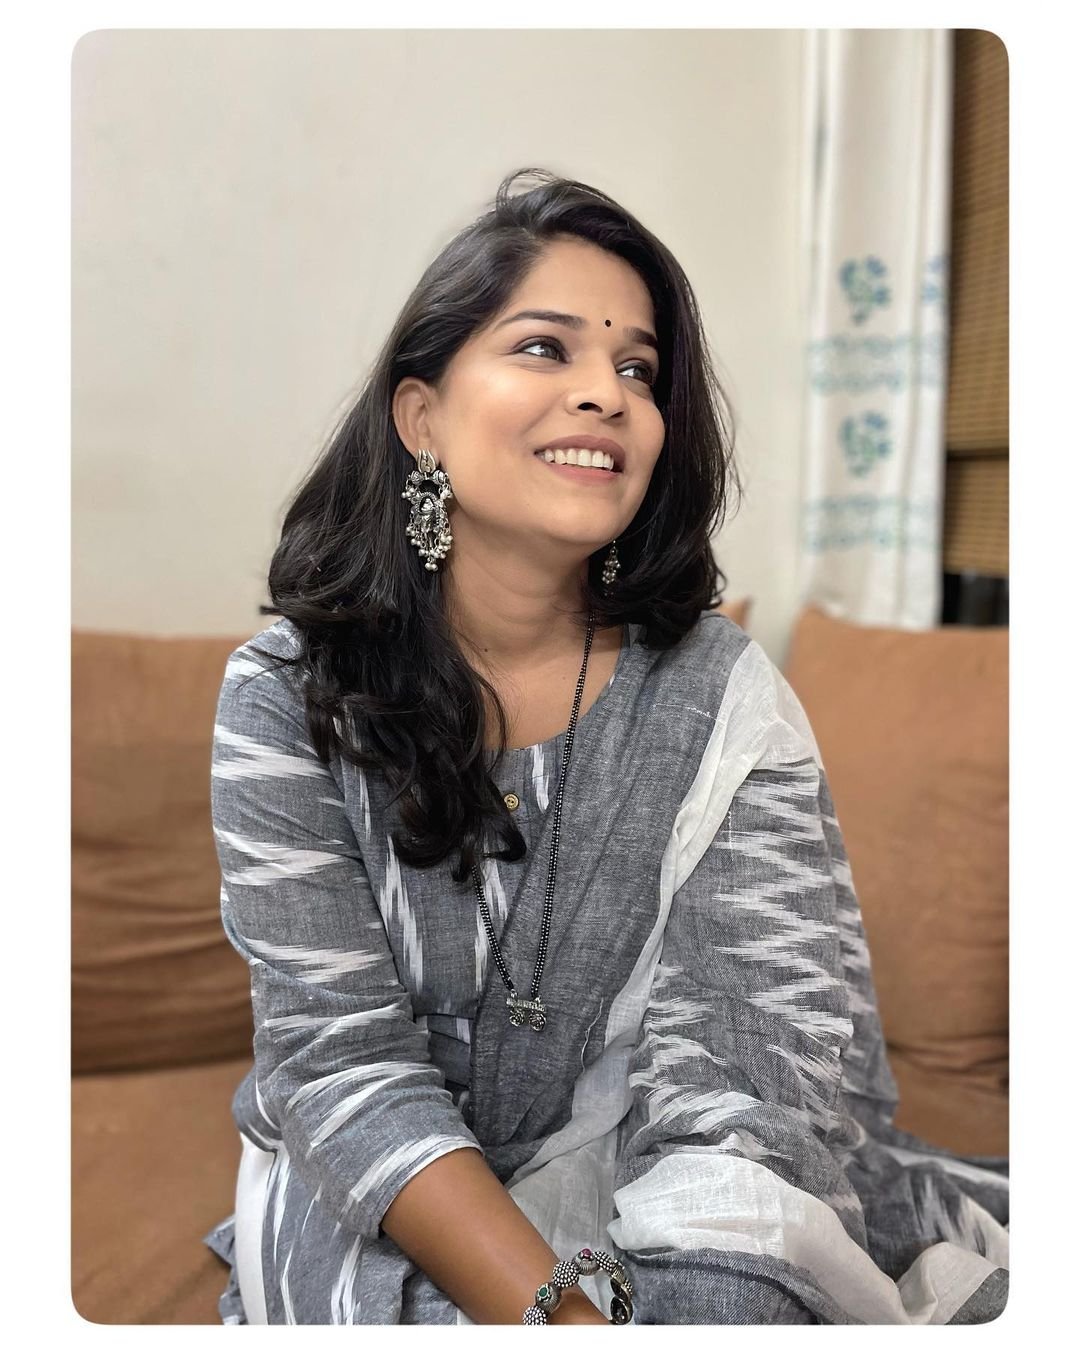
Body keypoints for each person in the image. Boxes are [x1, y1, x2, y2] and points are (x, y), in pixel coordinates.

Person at [202, 167, 1009, 1325]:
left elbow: (746, 1077)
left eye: (637, 369)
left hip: (668, 1184)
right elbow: (340, 1065)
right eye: (545, 348)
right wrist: (566, 1322)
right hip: (389, 1196)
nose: (606, 394)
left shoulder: (721, 697)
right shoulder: (286, 695)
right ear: (421, 417)